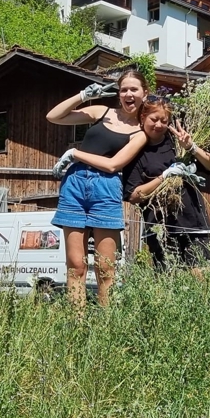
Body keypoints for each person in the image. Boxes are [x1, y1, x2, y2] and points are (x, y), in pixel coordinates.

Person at [45, 69, 149, 307]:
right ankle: (77, 327)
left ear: (145, 93)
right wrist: (83, 95)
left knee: (105, 268)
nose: (128, 94)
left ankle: (104, 328)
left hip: (106, 187)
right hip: (75, 184)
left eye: (134, 89)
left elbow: (113, 165)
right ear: (119, 93)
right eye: (124, 90)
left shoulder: (140, 133)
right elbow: (54, 116)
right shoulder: (102, 111)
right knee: (76, 265)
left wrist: (74, 153)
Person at [124, 98, 210, 270]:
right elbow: (133, 195)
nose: (159, 125)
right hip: (160, 227)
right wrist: (164, 177)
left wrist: (192, 147)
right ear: (143, 117)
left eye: (164, 121)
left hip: (193, 223)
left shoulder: (177, 143)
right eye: (154, 119)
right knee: (168, 283)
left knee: (200, 279)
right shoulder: (136, 151)